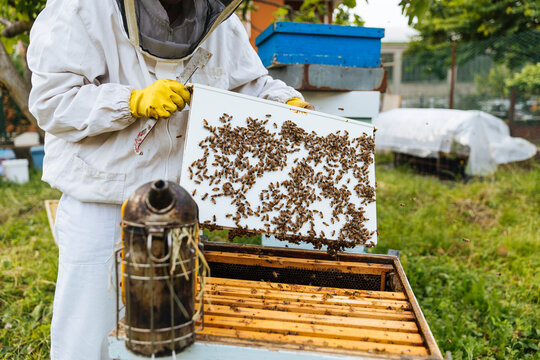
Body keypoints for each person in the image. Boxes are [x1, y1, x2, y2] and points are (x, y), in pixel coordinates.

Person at [27, 0, 311, 358]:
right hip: (103, 206)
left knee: (171, 332)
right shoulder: (82, 7)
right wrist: (129, 102)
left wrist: (283, 103)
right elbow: (52, 102)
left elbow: (250, 86)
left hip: (180, 211)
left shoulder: (219, 21)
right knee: (90, 334)